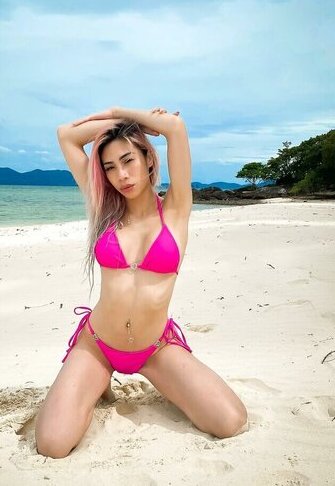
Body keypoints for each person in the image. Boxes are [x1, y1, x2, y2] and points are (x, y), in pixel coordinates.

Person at [35, 106, 248, 458]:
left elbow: (174, 127)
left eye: (128, 160)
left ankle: (105, 385)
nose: (121, 175)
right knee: (53, 445)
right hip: (98, 345)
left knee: (230, 421)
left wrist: (124, 115)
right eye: (109, 167)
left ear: (148, 158)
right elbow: (66, 135)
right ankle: (96, 383)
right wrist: (122, 125)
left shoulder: (176, 210)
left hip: (156, 348)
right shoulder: (104, 210)